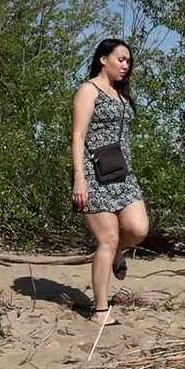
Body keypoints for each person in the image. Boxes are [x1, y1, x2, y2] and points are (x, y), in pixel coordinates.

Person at [71, 38, 149, 324]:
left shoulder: (123, 96)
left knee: (138, 229)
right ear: (103, 59)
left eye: (128, 61)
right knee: (108, 237)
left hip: (123, 174)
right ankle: (100, 310)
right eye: (120, 59)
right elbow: (78, 136)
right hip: (93, 174)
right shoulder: (88, 90)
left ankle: (118, 255)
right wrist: (79, 179)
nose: (125, 65)